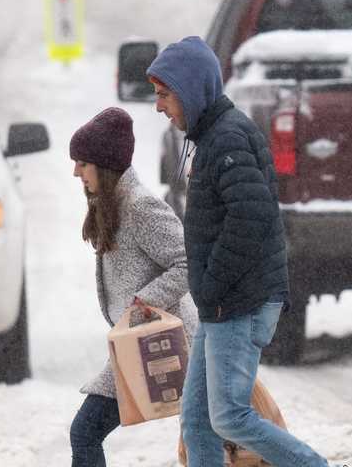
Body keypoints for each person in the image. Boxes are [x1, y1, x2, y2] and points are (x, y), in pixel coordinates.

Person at [145, 37, 328, 467]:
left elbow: (251, 216)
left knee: (229, 416)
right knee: (196, 422)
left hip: (238, 301)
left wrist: (212, 284)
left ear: (190, 90)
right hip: (225, 302)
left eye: (164, 94)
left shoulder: (226, 139)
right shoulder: (214, 137)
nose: (158, 106)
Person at [68, 107, 199, 467]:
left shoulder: (141, 207)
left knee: (85, 431)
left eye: (82, 163)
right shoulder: (112, 205)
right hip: (138, 342)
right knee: (205, 437)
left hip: (170, 343)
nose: (76, 171)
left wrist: (144, 301)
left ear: (104, 165)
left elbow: (188, 262)